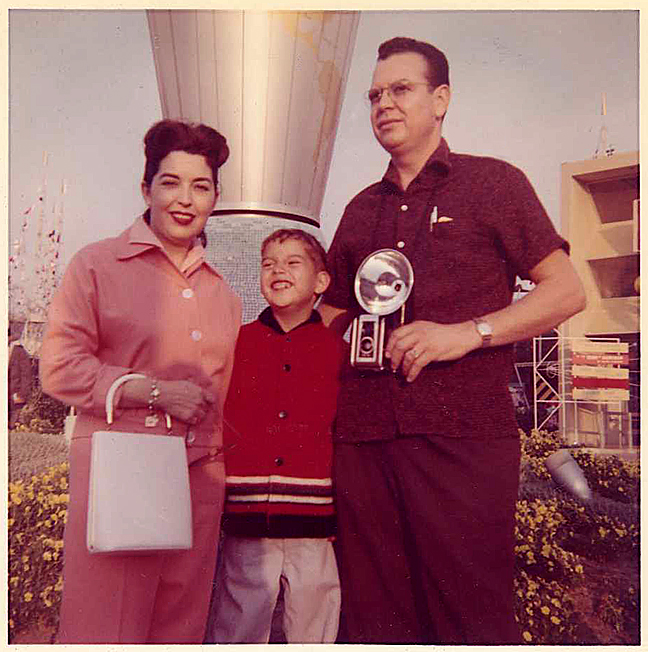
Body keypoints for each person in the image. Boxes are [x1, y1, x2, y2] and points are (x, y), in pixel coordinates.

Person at [318, 37, 586, 644]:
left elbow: (566, 292)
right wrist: (361, 334)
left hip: (463, 440)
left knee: (470, 618)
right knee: (374, 621)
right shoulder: (361, 208)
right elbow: (331, 306)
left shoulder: (494, 183)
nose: (384, 104)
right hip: (364, 440)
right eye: (375, 94)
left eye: (401, 90)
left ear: (441, 100)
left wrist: (467, 334)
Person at [39, 119, 241, 644]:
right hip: (121, 470)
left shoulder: (224, 294)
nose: (184, 199)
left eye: (200, 186)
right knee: (109, 626)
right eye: (170, 182)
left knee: (181, 626)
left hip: (200, 475)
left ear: (216, 197)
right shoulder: (97, 264)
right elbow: (58, 364)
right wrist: (150, 390)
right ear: (145, 188)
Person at [206, 228, 343, 643]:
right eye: (269, 264)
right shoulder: (237, 342)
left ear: (320, 282)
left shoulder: (338, 348)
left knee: (313, 620)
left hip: (315, 517)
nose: (278, 271)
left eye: (292, 262)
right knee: (240, 620)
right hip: (248, 517)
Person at [8, 326, 34, 428]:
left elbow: (26, 375)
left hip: (14, 396)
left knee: (12, 428)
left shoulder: (20, 352)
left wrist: (21, 394)